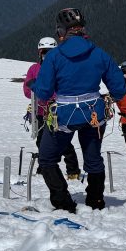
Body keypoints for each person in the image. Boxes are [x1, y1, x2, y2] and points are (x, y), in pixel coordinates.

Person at [31, 8, 126, 212]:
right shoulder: (99, 53)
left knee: (47, 157)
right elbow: (119, 89)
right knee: (93, 158)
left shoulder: (54, 56)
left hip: (63, 115)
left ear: (61, 31)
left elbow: (45, 93)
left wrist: (34, 85)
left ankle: (62, 201)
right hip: (93, 113)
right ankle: (96, 200)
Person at [23, 36, 81, 180]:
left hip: (58, 111)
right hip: (41, 111)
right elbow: (27, 90)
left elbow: (63, 88)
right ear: (39, 53)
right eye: (44, 52)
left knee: (63, 141)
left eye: (49, 52)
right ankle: (45, 168)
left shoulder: (62, 68)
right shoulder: (34, 69)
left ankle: (72, 170)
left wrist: (41, 88)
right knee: (41, 141)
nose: (46, 55)